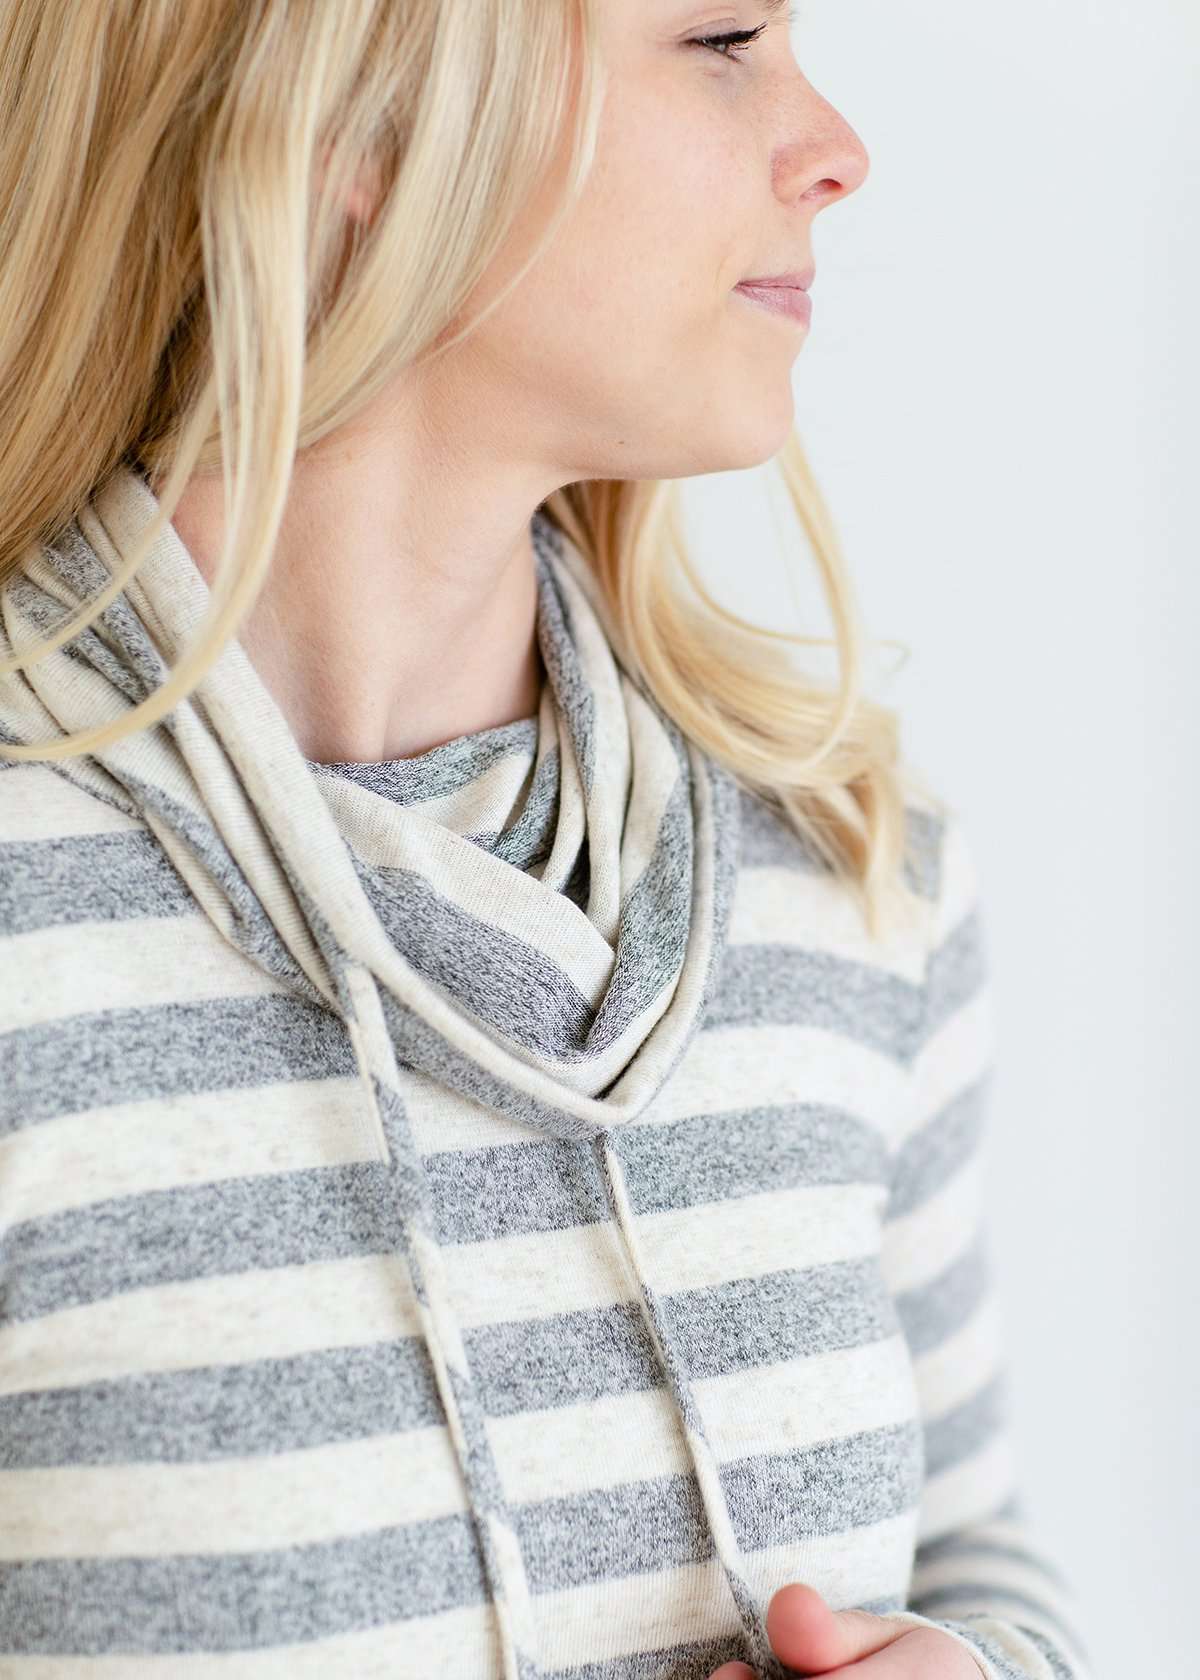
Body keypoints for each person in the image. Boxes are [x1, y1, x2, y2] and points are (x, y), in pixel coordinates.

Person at [0, 3, 1092, 1678]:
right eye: (722, 37)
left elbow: (976, 1550)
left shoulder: (851, 875)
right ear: (359, 115)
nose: (838, 151)